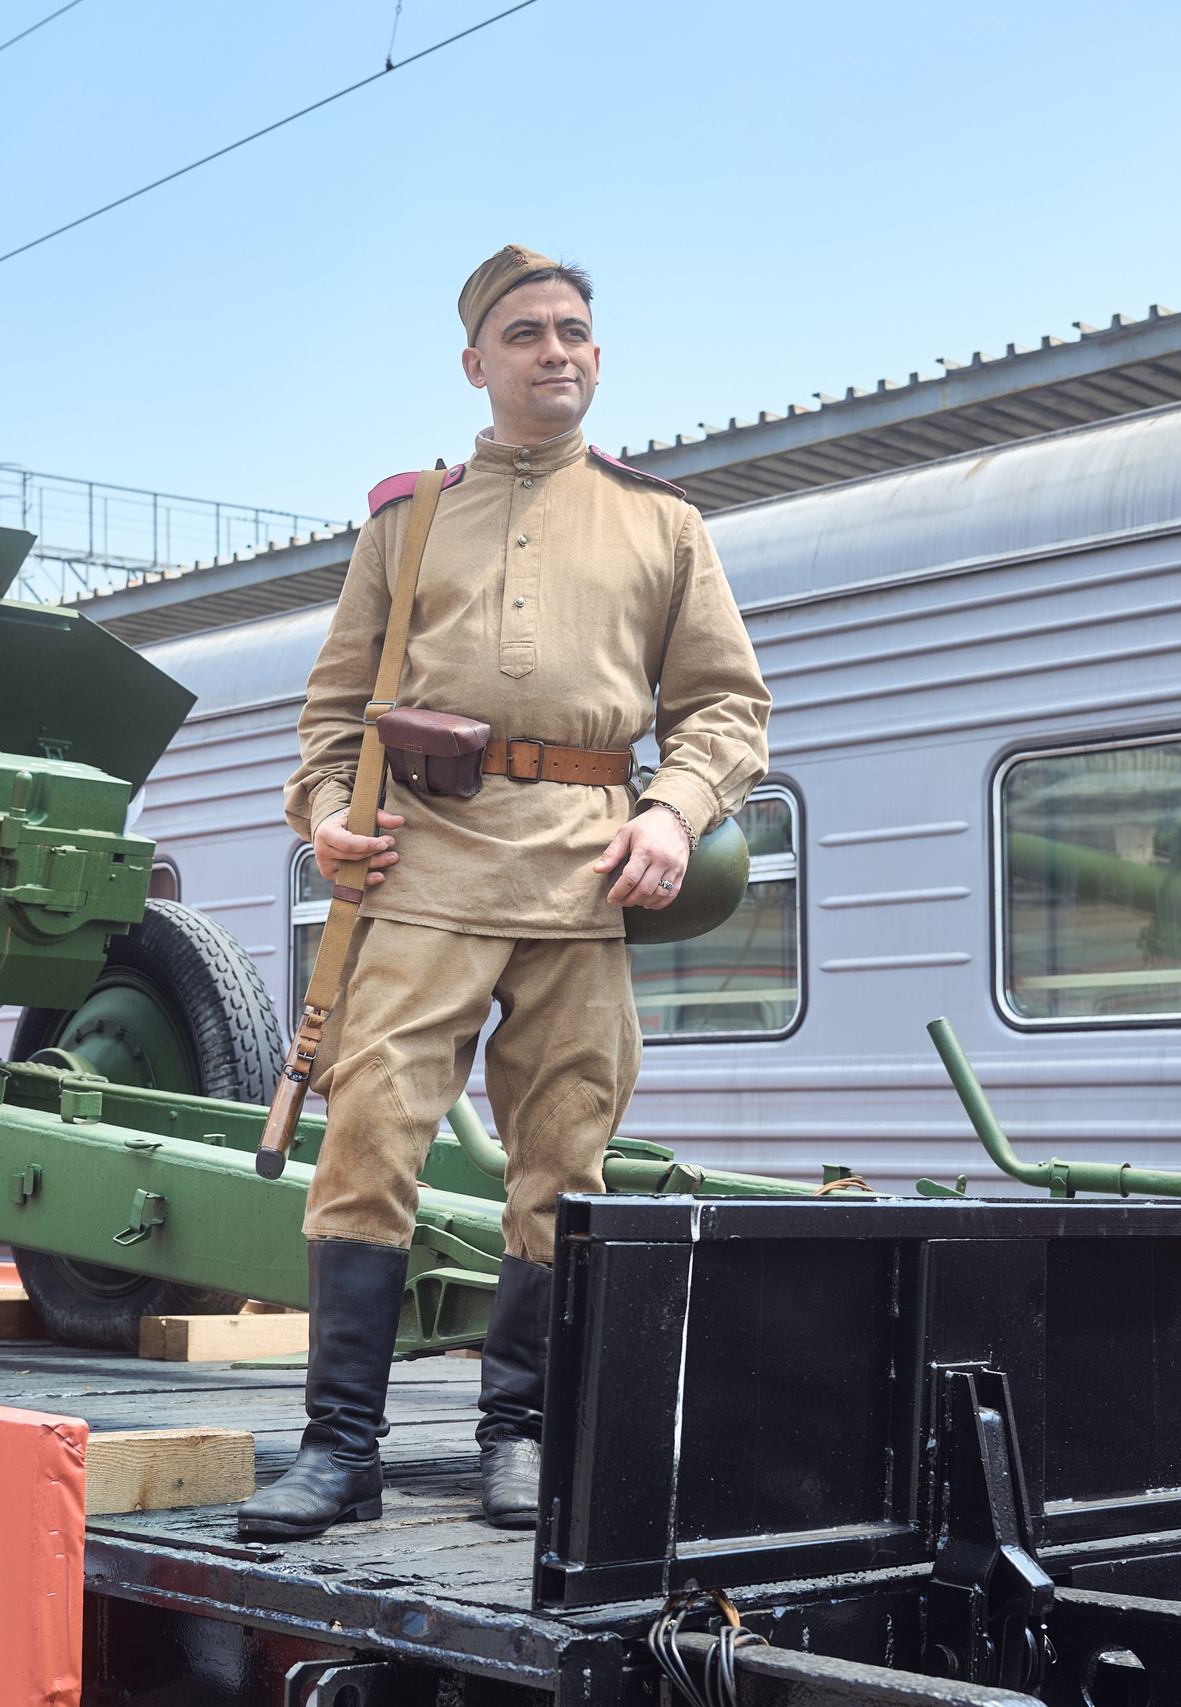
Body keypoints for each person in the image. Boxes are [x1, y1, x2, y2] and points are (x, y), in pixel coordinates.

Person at [234, 245, 771, 1541]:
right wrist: (325, 819)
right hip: (420, 870)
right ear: (477, 363)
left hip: (587, 875)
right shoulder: (406, 520)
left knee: (565, 1161)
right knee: (368, 1143)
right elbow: (330, 717)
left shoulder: (662, 524)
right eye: (526, 333)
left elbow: (726, 710)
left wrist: (671, 810)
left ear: (599, 354)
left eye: (573, 330)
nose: (555, 351)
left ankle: (519, 1436)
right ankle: (340, 1449)